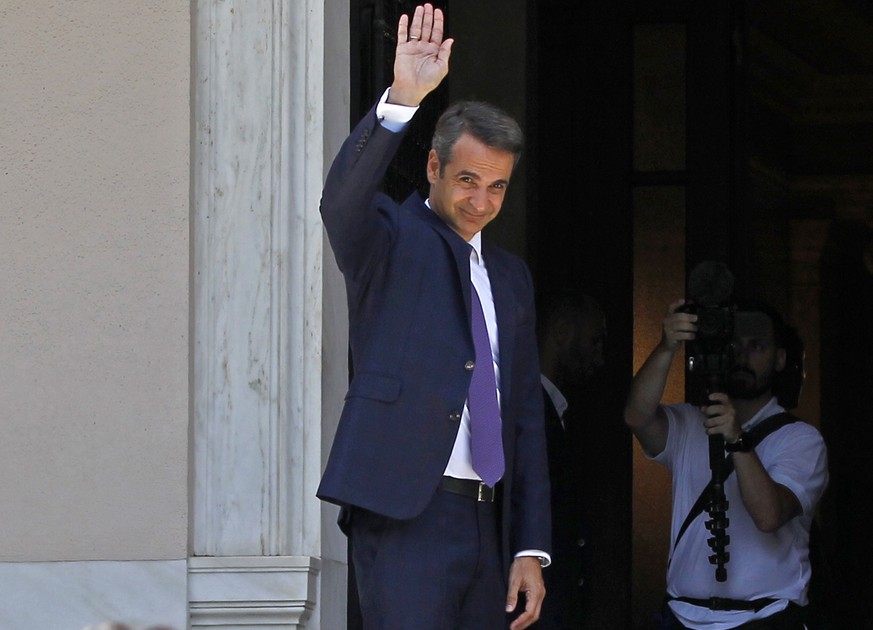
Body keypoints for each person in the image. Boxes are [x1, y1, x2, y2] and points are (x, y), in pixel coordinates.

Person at [315, 5, 551, 629]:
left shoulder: (510, 276)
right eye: (467, 180)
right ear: (433, 168)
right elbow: (340, 202)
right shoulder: (389, 236)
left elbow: (523, 412)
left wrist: (529, 545)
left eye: (497, 187)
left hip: (488, 522)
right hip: (404, 515)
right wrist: (402, 99)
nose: (481, 201)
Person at [624, 297, 828, 629]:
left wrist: (737, 439)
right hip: (683, 616)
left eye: (757, 346)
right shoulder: (690, 423)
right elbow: (636, 416)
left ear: (779, 359)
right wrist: (666, 348)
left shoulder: (801, 440)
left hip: (765, 617)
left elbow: (768, 515)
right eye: (734, 346)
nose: (743, 357)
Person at [537, 292, 605, 629]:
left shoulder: (558, 410)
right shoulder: (523, 410)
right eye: (594, 340)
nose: (600, 357)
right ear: (561, 331)